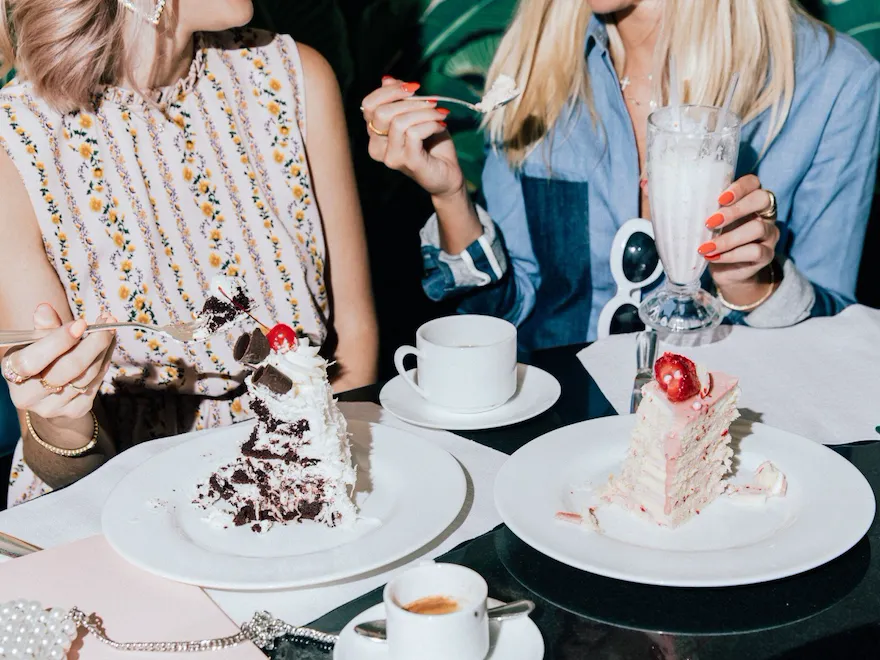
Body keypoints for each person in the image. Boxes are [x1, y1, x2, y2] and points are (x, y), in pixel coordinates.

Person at [0, 0, 377, 505]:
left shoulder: (295, 74)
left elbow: (355, 337)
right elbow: (64, 473)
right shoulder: (15, 140)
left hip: (313, 465)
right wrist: (58, 416)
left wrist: (321, 473)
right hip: (127, 497)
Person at [361, 0, 880, 350]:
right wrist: (450, 196)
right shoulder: (537, 72)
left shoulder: (833, 82)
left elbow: (834, 339)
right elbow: (507, 316)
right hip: (559, 440)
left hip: (728, 441)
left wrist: (753, 283)